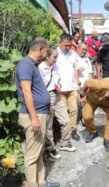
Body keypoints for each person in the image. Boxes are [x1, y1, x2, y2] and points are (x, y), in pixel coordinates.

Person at [16, 37, 59, 187]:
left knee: (39, 152)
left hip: (40, 113)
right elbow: (26, 91)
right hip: (34, 116)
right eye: (46, 50)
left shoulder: (32, 65)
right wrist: (34, 118)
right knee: (32, 156)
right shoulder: (25, 65)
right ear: (40, 49)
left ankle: (41, 182)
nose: (47, 54)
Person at [38, 46, 76, 160]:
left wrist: (59, 84)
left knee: (65, 120)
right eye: (54, 57)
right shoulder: (40, 68)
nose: (56, 59)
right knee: (48, 126)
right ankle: (50, 149)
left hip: (57, 94)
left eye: (57, 57)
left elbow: (57, 79)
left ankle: (65, 143)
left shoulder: (56, 66)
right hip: (46, 96)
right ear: (47, 56)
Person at [80, 79, 109, 152]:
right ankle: (92, 131)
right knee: (86, 117)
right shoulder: (100, 85)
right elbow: (87, 82)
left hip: (107, 104)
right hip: (92, 100)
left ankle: (107, 140)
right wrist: (82, 95)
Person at [56, 33, 81, 141]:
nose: (67, 47)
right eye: (65, 45)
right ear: (60, 42)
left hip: (71, 88)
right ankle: (64, 133)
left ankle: (73, 130)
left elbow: (75, 69)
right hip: (60, 89)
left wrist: (77, 83)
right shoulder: (55, 53)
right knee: (63, 113)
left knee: (74, 110)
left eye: (69, 45)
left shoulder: (73, 54)